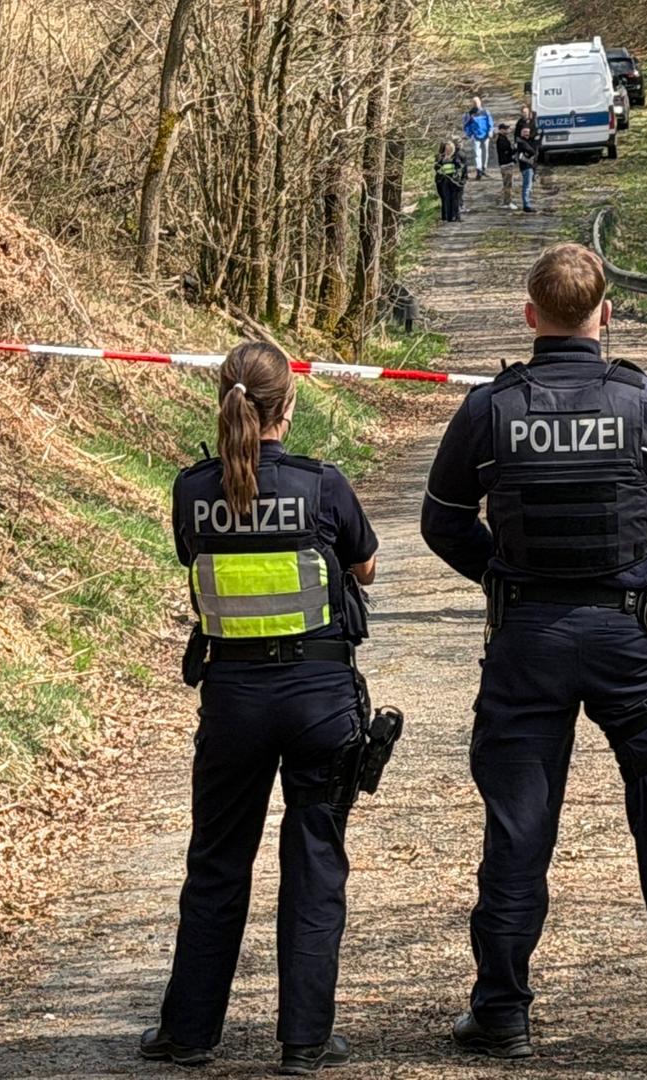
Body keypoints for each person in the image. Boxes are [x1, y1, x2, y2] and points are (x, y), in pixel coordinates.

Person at [420, 244, 647, 1057]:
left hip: (528, 638)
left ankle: (501, 1015)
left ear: (529, 315)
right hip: (632, 641)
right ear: (606, 314)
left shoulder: (489, 409)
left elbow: (441, 522)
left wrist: (504, 574)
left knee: (518, 827)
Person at [140, 341, 381, 1076]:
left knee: (216, 863)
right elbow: (364, 565)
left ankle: (188, 1034)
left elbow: (194, 555)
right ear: (291, 406)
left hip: (233, 702)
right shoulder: (323, 485)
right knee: (314, 865)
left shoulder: (191, 492)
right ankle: (305, 1039)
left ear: (224, 400)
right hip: (318, 699)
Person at [512, 116, 541, 214]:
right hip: (526, 167)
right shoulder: (521, 142)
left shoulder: (529, 140)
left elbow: (536, 146)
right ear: (521, 132)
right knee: (527, 186)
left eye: (527, 131)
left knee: (529, 186)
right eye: (524, 131)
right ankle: (526, 205)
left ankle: (527, 203)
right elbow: (531, 150)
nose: (526, 133)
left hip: (531, 166)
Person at [462, 95, 494, 179]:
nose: (476, 104)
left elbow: (490, 122)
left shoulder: (485, 112)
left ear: (480, 102)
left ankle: (484, 168)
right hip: (475, 136)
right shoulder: (469, 114)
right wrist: (470, 134)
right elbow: (466, 125)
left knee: (485, 153)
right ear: (472, 103)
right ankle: (479, 170)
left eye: (477, 102)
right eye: (474, 102)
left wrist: (490, 131)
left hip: (485, 135)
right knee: (477, 153)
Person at [434, 140, 466, 222]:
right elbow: (437, 167)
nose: (447, 151)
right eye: (446, 149)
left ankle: (455, 216)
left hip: (454, 181)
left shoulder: (455, 158)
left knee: (455, 199)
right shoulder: (441, 158)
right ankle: (448, 217)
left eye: (449, 149)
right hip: (445, 181)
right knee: (446, 198)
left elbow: (460, 168)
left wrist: (459, 177)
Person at [494, 122, 517, 210]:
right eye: (506, 129)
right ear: (501, 130)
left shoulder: (503, 138)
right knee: (508, 185)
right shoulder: (501, 139)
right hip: (506, 164)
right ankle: (508, 202)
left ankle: (507, 201)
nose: (507, 130)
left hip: (506, 164)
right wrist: (514, 150)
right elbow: (507, 151)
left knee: (507, 184)